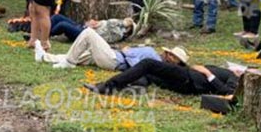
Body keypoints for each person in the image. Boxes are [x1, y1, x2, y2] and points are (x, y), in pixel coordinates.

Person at [85, 48, 238, 97]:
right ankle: (140, 85)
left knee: (147, 64)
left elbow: (228, 93)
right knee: (148, 73)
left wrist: (207, 73)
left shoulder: (233, 77)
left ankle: (108, 86)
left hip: (189, 80)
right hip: (186, 80)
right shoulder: (227, 71)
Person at [34, 27, 161, 71]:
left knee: (89, 33)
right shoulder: (153, 52)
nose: (167, 53)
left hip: (115, 60)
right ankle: (44, 57)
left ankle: (69, 63)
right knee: (77, 54)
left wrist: (127, 53)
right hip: (113, 54)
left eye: (172, 56)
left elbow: (139, 67)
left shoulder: (155, 58)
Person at [48, 14, 135, 44]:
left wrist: (122, 24)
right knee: (57, 17)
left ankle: (46, 34)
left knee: (63, 25)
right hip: (83, 27)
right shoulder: (117, 25)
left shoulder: (118, 34)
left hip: (84, 34)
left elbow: (110, 25)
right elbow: (104, 23)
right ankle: (40, 28)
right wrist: (93, 23)